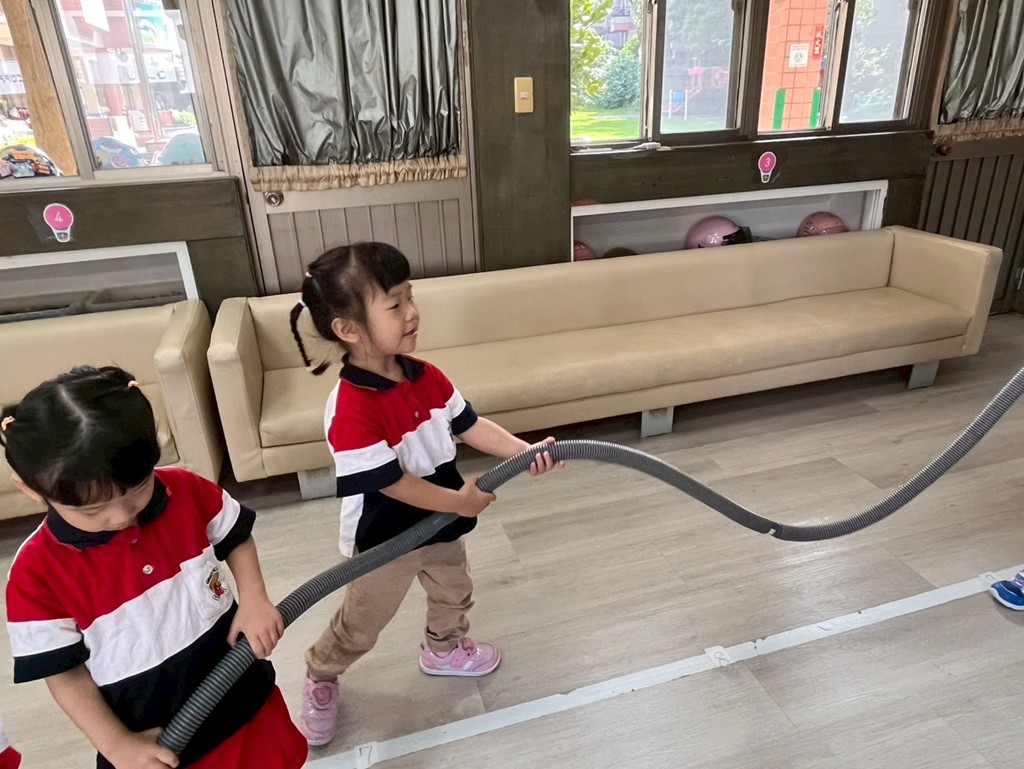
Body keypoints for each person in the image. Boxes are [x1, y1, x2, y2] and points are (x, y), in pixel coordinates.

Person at [290, 242, 564, 745]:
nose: (412, 312)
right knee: (363, 623)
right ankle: (322, 672)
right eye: (395, 305)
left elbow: (470, 425)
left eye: (410, 297)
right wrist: (460, 501)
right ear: (348, 329)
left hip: (441, 524)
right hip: (384, 541)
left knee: (453, 590)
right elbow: (390, 482)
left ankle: (443, 649)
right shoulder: (351, 408)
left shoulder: (427, 376)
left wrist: (523, 452)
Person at [3, 366, 307, 769]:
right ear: (30, 488)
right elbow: (64, 674)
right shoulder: (35, 575)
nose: (121, 515)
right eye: (93, 510)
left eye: (138, 489)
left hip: (246, 700)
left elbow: (235, 536)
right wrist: (117, 745)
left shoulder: (184, 489)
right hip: (162, 746)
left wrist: (254, 599)